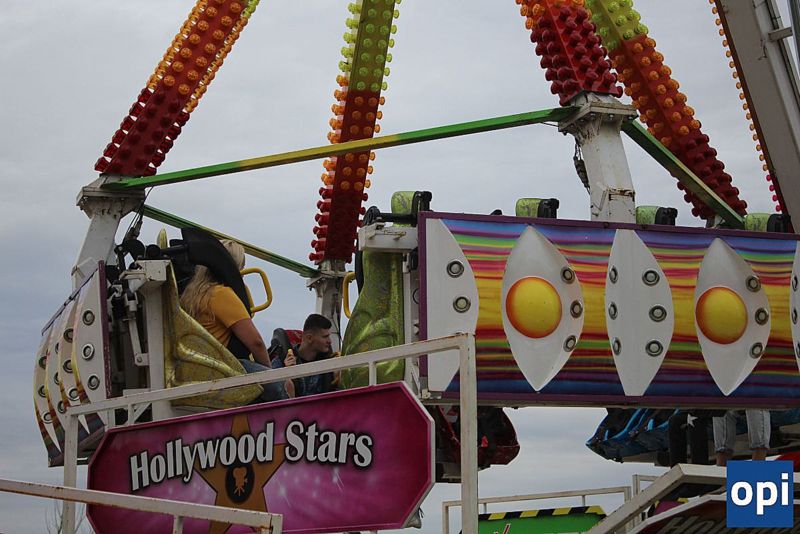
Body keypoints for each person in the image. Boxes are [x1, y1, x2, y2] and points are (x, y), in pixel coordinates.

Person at [180, 239, 288, 401]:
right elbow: (256, 342)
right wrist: (269, 373)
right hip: (219, 368)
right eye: (240, 268)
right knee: (282, 385)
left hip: (198, 366)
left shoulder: (192, 295)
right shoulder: (221, 294)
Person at [272, 313, 336, 397]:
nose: (330, 341)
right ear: (309, 338)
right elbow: (273, 395)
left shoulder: (329, 362)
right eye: (325, 337)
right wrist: (287, 374)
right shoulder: (280, 362)